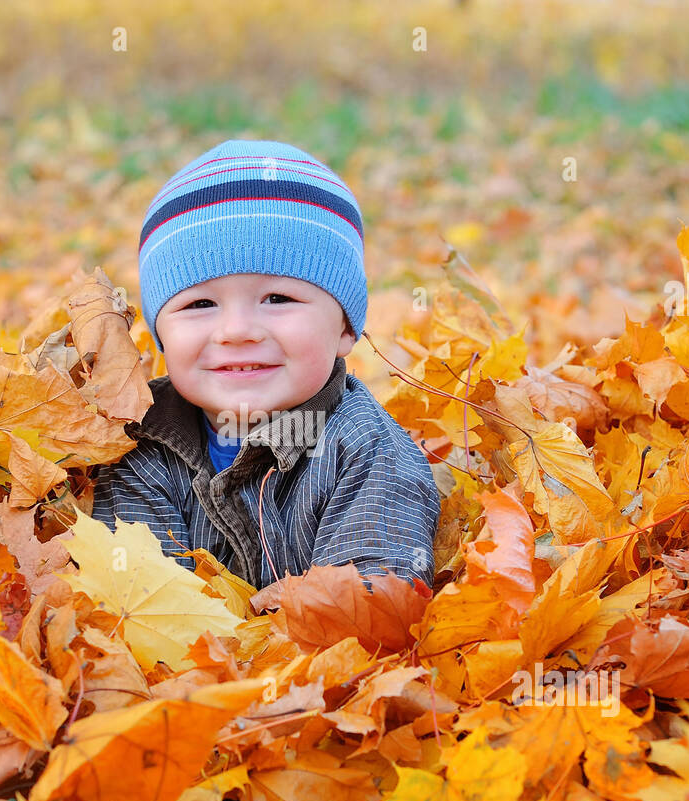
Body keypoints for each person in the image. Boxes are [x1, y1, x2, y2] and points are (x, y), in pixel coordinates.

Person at [90, 139, 441, 593]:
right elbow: (137, 602)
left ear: (344, 329)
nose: (237, 331)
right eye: (200, 304)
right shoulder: (138, 442)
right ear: (162, 335)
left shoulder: (368, 454)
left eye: (278, 299)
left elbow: (367, 614)